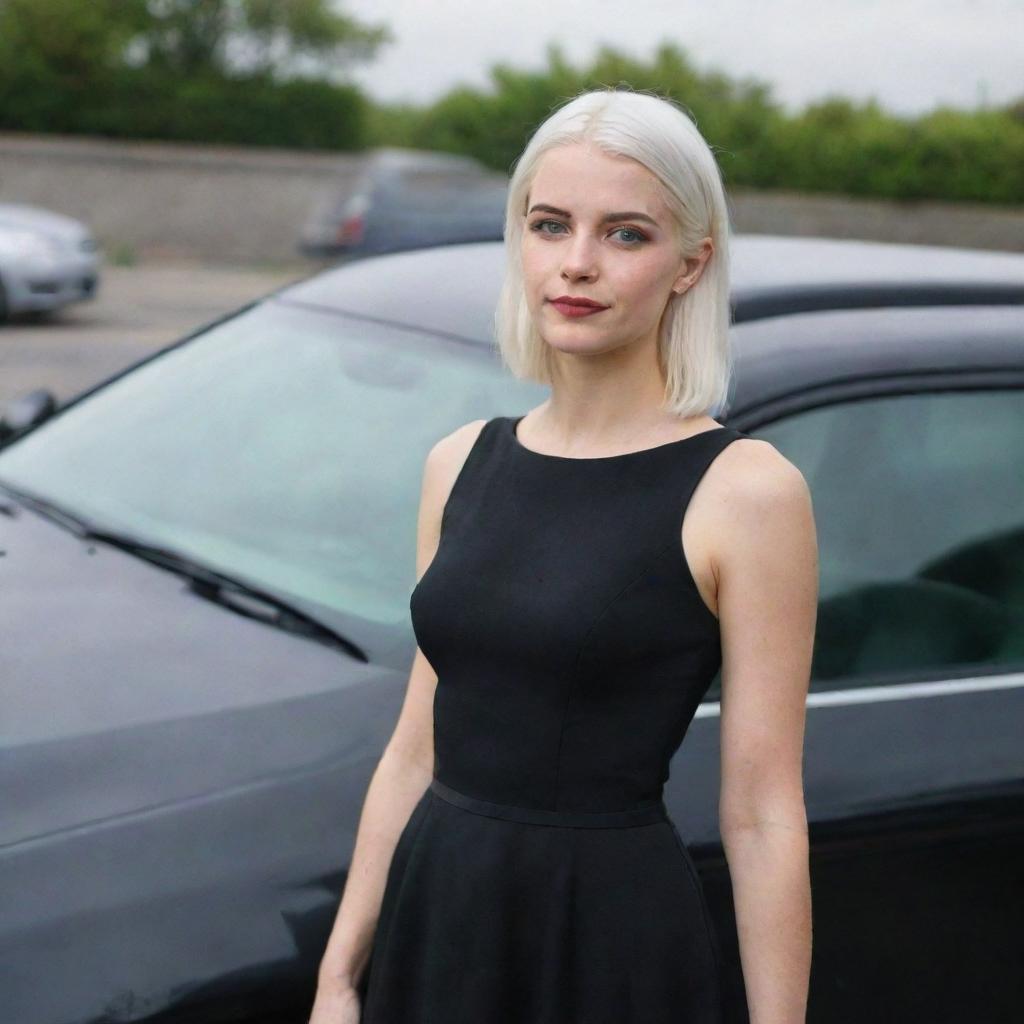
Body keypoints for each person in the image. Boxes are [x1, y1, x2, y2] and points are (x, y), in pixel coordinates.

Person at [309, 87, 818, 1024]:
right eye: (551, 225)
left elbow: (762, 812)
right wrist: (340, 975)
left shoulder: (746, 492)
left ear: (689, 265)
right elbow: (415, 750)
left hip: (607, 941)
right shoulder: (459, 462)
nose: (576, 263)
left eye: (626, 235)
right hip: (439, 920)